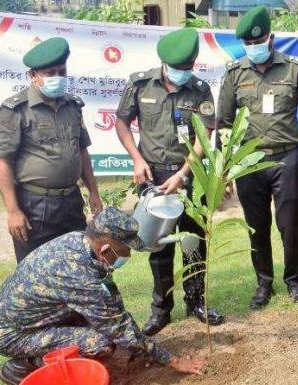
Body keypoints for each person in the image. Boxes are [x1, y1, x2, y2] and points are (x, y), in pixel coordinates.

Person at [0, 208, 205, 385]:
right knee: (101, 343)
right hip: (13, 335)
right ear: (107, 248)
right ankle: (24, 365)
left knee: (107, 330)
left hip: (33, 316)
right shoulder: (78, 275)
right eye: (126, 249)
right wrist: (172, 361)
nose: (128, 255)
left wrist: (136, 343)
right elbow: (118, 326)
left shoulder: (81, 243)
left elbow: (112, 303)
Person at [115, 28, 224, 335]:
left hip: (190, 175)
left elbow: (204, 135)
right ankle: (161, 309)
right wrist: (136, 158)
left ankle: (197, 301)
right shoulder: (140, 83)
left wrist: (183, 174)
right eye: (181, 67)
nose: (186, 72)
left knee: (193, 242)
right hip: (153, 175)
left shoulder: (200, 89)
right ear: (164, 63)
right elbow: (122, 122)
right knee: (158, 245)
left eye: (191, 66)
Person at [217, 6, 298, 310]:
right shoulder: (235, 73)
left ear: (271, 37)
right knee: (256, 225)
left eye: (258, 41)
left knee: (289, 224)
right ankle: (264, 283)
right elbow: (223, 124)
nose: (254, 48)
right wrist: (224, 170)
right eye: (248, 44)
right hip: (249, 162)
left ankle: (294, 280)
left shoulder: (295, 69)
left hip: (286, 159)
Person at [0, 37, 102, 263]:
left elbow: (82, 152)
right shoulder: (16, 109)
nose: (57, 78)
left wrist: (93, 192)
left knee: (77, 264)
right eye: (50, 73)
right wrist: (13, 210)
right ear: (32, 75)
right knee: (35, 269)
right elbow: (3, 161)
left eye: (61, 72)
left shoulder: (72, 105)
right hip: (35, 204)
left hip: (71, 201)